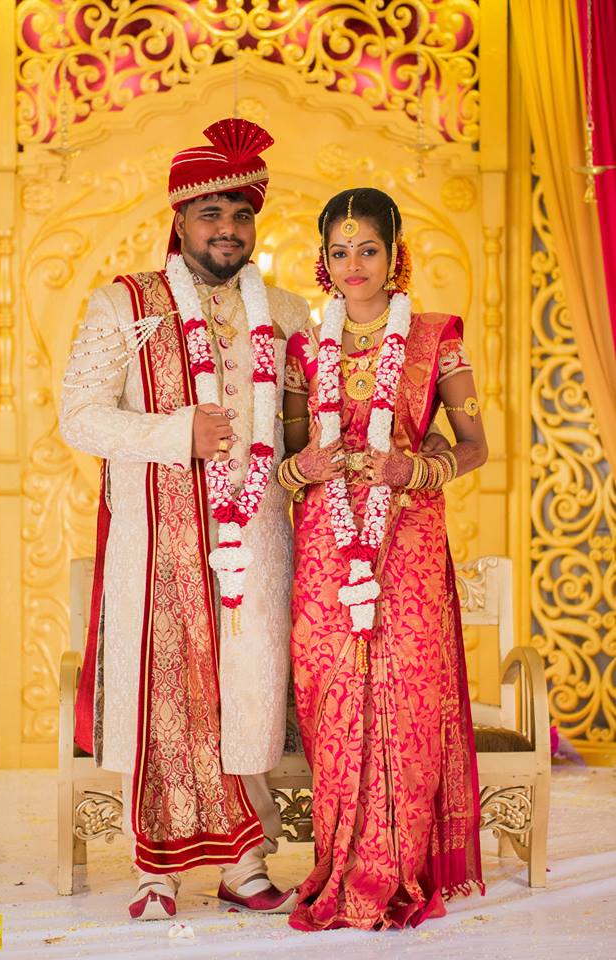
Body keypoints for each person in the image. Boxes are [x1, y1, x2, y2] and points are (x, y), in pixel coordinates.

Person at [59, 118, 307, 920]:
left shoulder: (294, 314)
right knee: (164, 690)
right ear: (178, 218)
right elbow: (79, 418)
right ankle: (155, 871)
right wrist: (176, 433)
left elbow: (310, 426)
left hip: (259, 542)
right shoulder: (123, 302)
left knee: (245, 694)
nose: (227, 231)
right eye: (211, 215)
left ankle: (245, 861)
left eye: (241, 216)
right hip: (155, 544)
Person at [281, 187, 487, 931]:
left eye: (367, 248)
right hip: (326, 552)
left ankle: (395, 872)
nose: (353, 264)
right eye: (339, 251)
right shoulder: (305, 347)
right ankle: (337, 864)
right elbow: (285, 461)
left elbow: (473, 448)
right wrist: (307, 469)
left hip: (408, 541)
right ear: (322, 260)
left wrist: (415, 469)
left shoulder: (435, 337)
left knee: (402, 705)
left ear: (394, 255)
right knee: (331, 705)